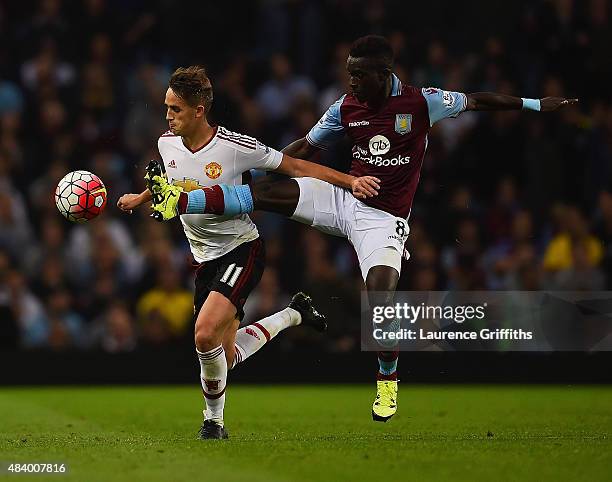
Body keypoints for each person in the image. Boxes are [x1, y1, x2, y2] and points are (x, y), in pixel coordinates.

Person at [147, 36, 578, 423]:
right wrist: (266, 171)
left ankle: (387, 379)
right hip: (343, 199)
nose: (350, 82)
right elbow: (304, 149)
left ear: (383, 74)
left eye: (359, 75)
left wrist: (537, 104)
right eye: (348, 73)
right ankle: (182, 201)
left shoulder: (421, 102)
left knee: (381, 299)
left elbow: (478, 100)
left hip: (383, 219)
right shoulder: (345, 108)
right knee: (268, 192)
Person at [117, 66, 381, 439]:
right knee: (223, 359)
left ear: (198, 110)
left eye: (175, 109)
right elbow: (169, 175)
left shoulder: (236, 147)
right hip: (203, 260)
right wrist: (141, 196)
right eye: (166, 107)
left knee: (204, 335)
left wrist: (351, 180)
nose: (167, 116)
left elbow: (296, 166)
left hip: (242, 250)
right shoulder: (166, 143)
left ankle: (214, 423)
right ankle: (293, 315)